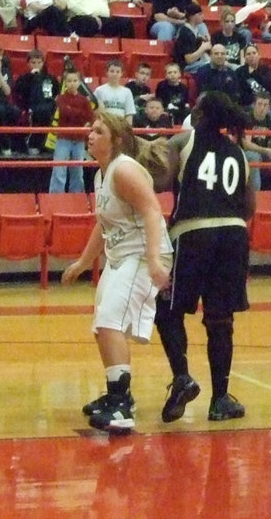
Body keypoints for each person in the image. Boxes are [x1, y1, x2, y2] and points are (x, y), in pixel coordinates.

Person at [65, 110, 172, 434]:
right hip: (120, 256)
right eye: (91, 130)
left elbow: (153, 211)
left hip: (141, 255)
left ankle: (122, 406)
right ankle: (116, 394)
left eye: (98, 131)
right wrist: (83, 263)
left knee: (111, 321)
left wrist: (154, 260)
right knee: (103, 325)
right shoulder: (103, 174)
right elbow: (104, 223)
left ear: (116, 140)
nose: (90, 135)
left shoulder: (124, 170)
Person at [154, 92, 255, 424]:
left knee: (167, 309)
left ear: (200, 115)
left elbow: (161, 181)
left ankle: (182, 377)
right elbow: (249, 207)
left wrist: (150, 153)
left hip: (194, 231)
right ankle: (220, 399)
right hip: (235, 234)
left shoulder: (183, 139)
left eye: (194, 107)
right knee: (221, 320)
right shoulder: (239, 153)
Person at [49, 65, 96, 194]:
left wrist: (74, 112)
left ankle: (77, 198)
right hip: (63, 138)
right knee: (59, 170)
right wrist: (79, 114)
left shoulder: (84, 100)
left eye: (75, 81)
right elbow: (65, 112)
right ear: (65, 82)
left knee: (77, 171)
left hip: (79, 140)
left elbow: (90, 117)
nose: (72, 84)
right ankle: (55, 198)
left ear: (79, 82)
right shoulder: (61, 98)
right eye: (69, 81)